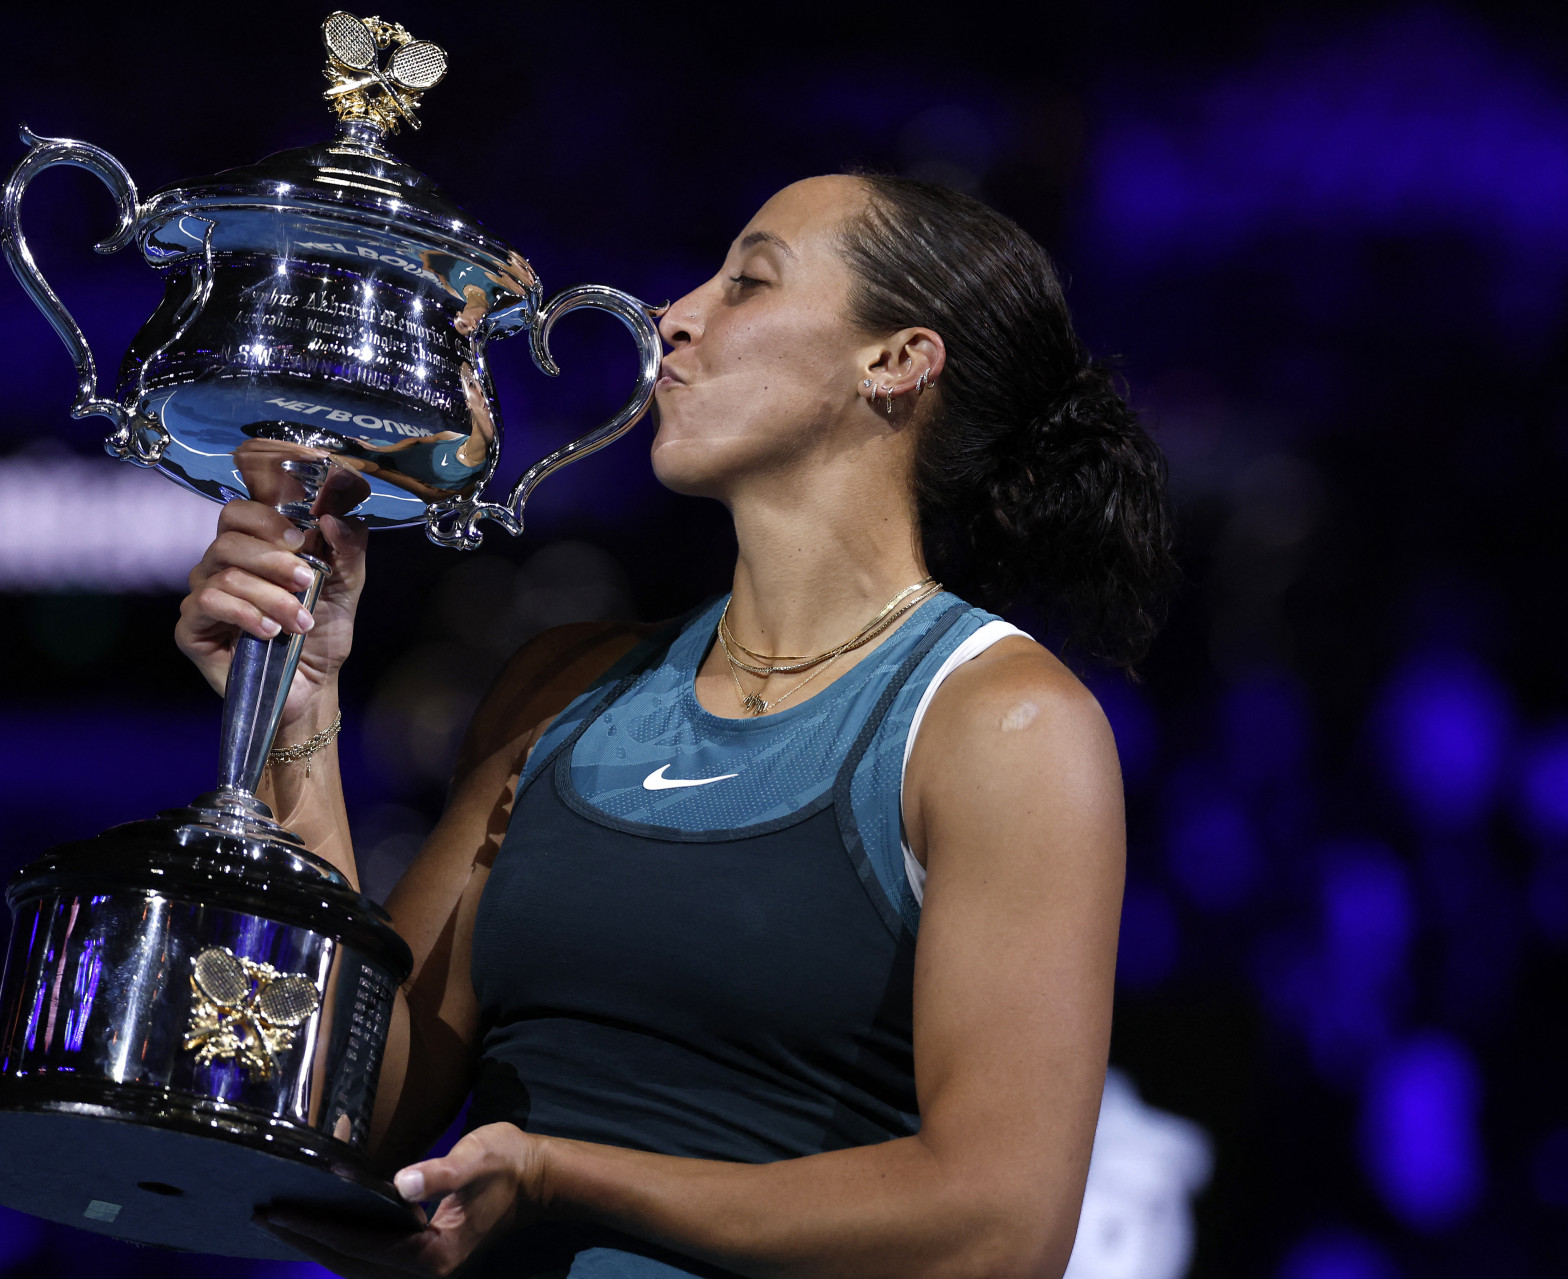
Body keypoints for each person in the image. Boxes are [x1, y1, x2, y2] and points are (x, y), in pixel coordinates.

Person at [175, 173, 1175, 1279]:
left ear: (895, 361)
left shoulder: (1001, 723)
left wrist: (566, 1174)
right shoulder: (559, 687)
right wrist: (296, 710)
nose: (674, 315)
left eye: (747, 282)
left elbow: (999, 1227)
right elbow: (355, 1106)